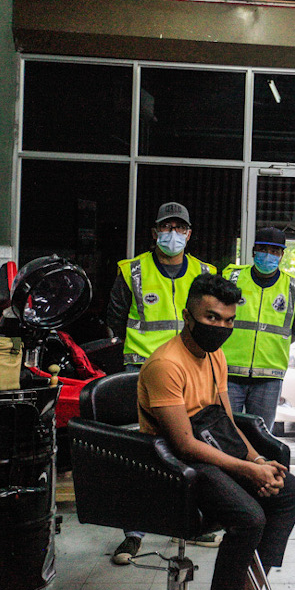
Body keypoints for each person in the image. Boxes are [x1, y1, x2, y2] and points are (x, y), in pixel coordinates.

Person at [138, 273, 295, 590]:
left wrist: (258, 460)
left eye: (229, 320)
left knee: (291, 493)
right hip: (172, 466)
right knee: (249, 518)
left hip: (207, 448)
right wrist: (248, 471)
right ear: (187, 317)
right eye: (212, 318)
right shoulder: (166, 365)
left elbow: (225, 421)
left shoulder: (215, 355)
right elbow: (184, 444)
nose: (221, 327)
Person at [105, 201, 218, 563]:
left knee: (190, 447)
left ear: (189, 233)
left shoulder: (204, 272)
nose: (173, 234)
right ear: (155, 232)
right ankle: (133, 533)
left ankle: (187, 523)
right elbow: (115, 321)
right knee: (141, 454)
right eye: (166, 227)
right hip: (141, 370)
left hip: (188, 369)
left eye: (180, 228)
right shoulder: (132, 271)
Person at [222, 227, 295, 430]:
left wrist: (271, 345)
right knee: (225, 432)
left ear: (282, 255)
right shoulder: (232, 279)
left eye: (274, 251)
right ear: (254, 251)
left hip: (269, 377)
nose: (268, 255)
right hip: (228, 372)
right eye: (263, 249)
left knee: (261, 435)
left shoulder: (292, 287)